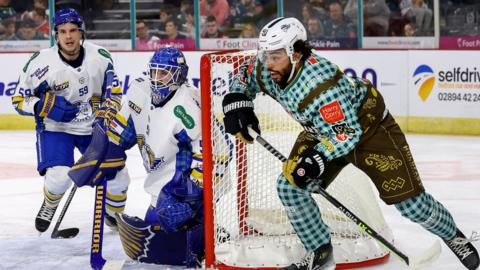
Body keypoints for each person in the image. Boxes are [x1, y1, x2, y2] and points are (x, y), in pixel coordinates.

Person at [221, 17, 480, 270]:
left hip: (369, 131)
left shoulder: (321, 85)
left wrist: (316, 159)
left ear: (296, 53)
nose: (267, 63)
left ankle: (455, 237)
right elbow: (246, 75)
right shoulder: (270, 66)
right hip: (322, 131)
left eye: (275, 56)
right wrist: (237, 102)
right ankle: (320, 252)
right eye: (265, 55)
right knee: (290, 188)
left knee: (411, 205)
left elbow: (346, 134)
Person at [72, 47, 205, 267]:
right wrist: (105, 150)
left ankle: (204, 228)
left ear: (179, 75)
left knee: (175, 222)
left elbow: (210, 156)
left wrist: (192, 198)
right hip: (160, 181)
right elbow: (125, 129)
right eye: (154, 72)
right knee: (158, 235)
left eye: (164, 73)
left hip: (187, 178)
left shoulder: (188, 107)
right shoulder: (140, 90)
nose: (156, 79)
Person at [11, 8, 130, 233]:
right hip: (57, 128)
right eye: (62, 31)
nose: (68, 36)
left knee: (119, 175)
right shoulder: (40, 64)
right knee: (59, 177)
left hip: (94, 126)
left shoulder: (101, 57)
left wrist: (107, 112)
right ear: (55, 35)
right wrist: (43, 107)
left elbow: (113, 92)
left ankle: (114, 214)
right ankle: (50, 203)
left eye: (73, 30)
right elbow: (18, 100)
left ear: (81, 32)